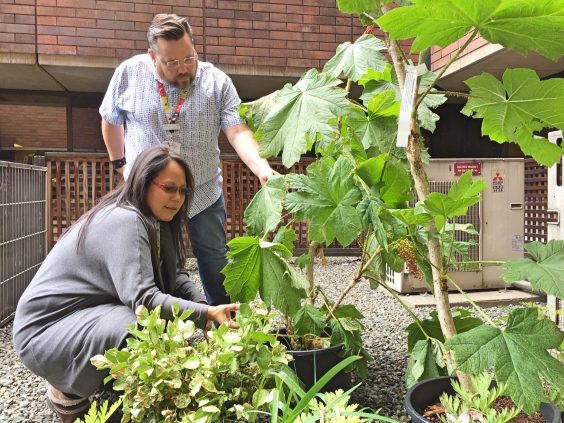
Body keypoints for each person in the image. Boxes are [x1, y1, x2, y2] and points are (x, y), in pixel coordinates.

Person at [12, 146, 240, 423]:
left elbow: (177, 276)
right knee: (136, 321)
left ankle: (101, 383)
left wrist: (203, 308)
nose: (177, 198)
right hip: (44, 332)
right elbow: (143, 299)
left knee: (156, 320)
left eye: (183, 191)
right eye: (169, 188)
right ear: (144, 182)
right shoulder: (125, 220)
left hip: (82, 317)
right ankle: (67, 390)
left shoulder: (158, 221)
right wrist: (204, 315)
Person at [99, 13, 276, 307]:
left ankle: (224, 321)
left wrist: (261, 166)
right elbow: (110, 120)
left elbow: (237, 130)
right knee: (152, 261)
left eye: (189, 58)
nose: (183, 68)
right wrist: (121, 165)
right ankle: (159, 329)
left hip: (203, 191)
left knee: (215, 257)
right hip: (147, 193)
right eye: (172, 62)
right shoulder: (129, 74)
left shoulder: (217, 82)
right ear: (152, 56)